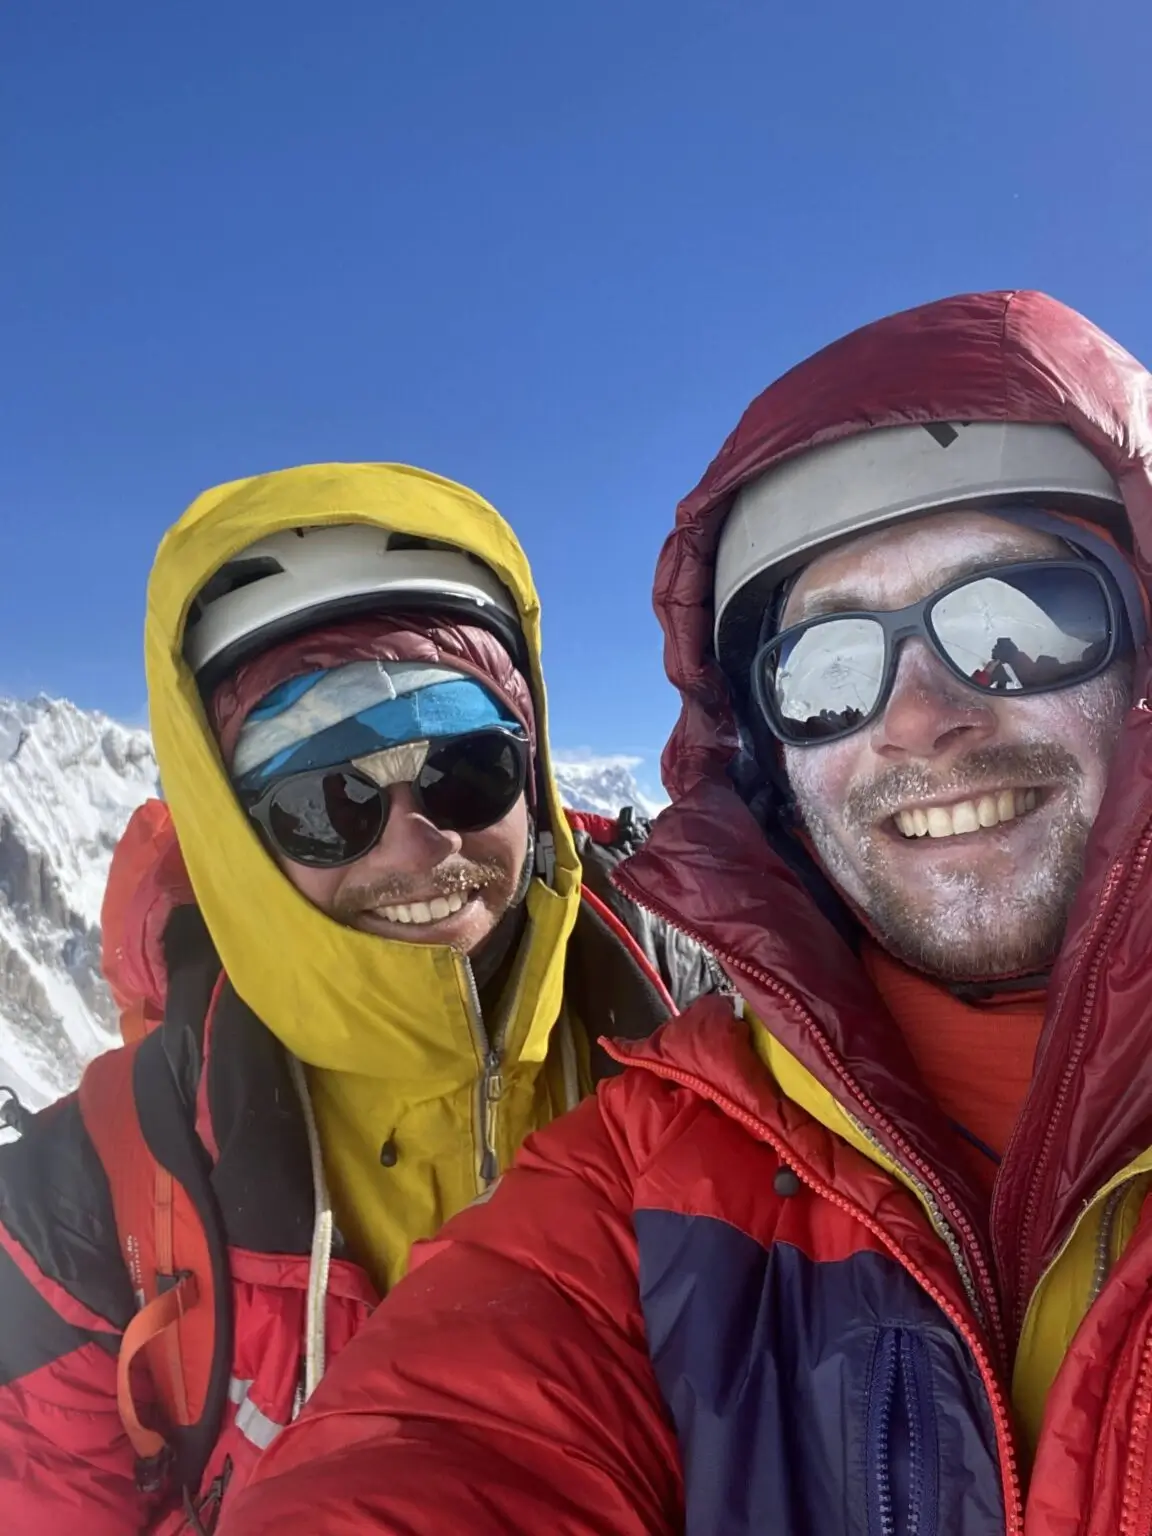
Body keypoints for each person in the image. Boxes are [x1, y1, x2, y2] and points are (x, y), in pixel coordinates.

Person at [214, 292, 1152, 1536]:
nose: (923, 716)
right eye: (828, 668)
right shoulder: (656, 1161)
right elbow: (445, 1444)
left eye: (1017, 622)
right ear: (767, 755)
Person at [0, 462, 717, 1535]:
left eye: (467, 769)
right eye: (326, 801)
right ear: (241, 841)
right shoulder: (77, 1216)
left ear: (533, 779)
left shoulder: (727, 1048)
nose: (417, 845)